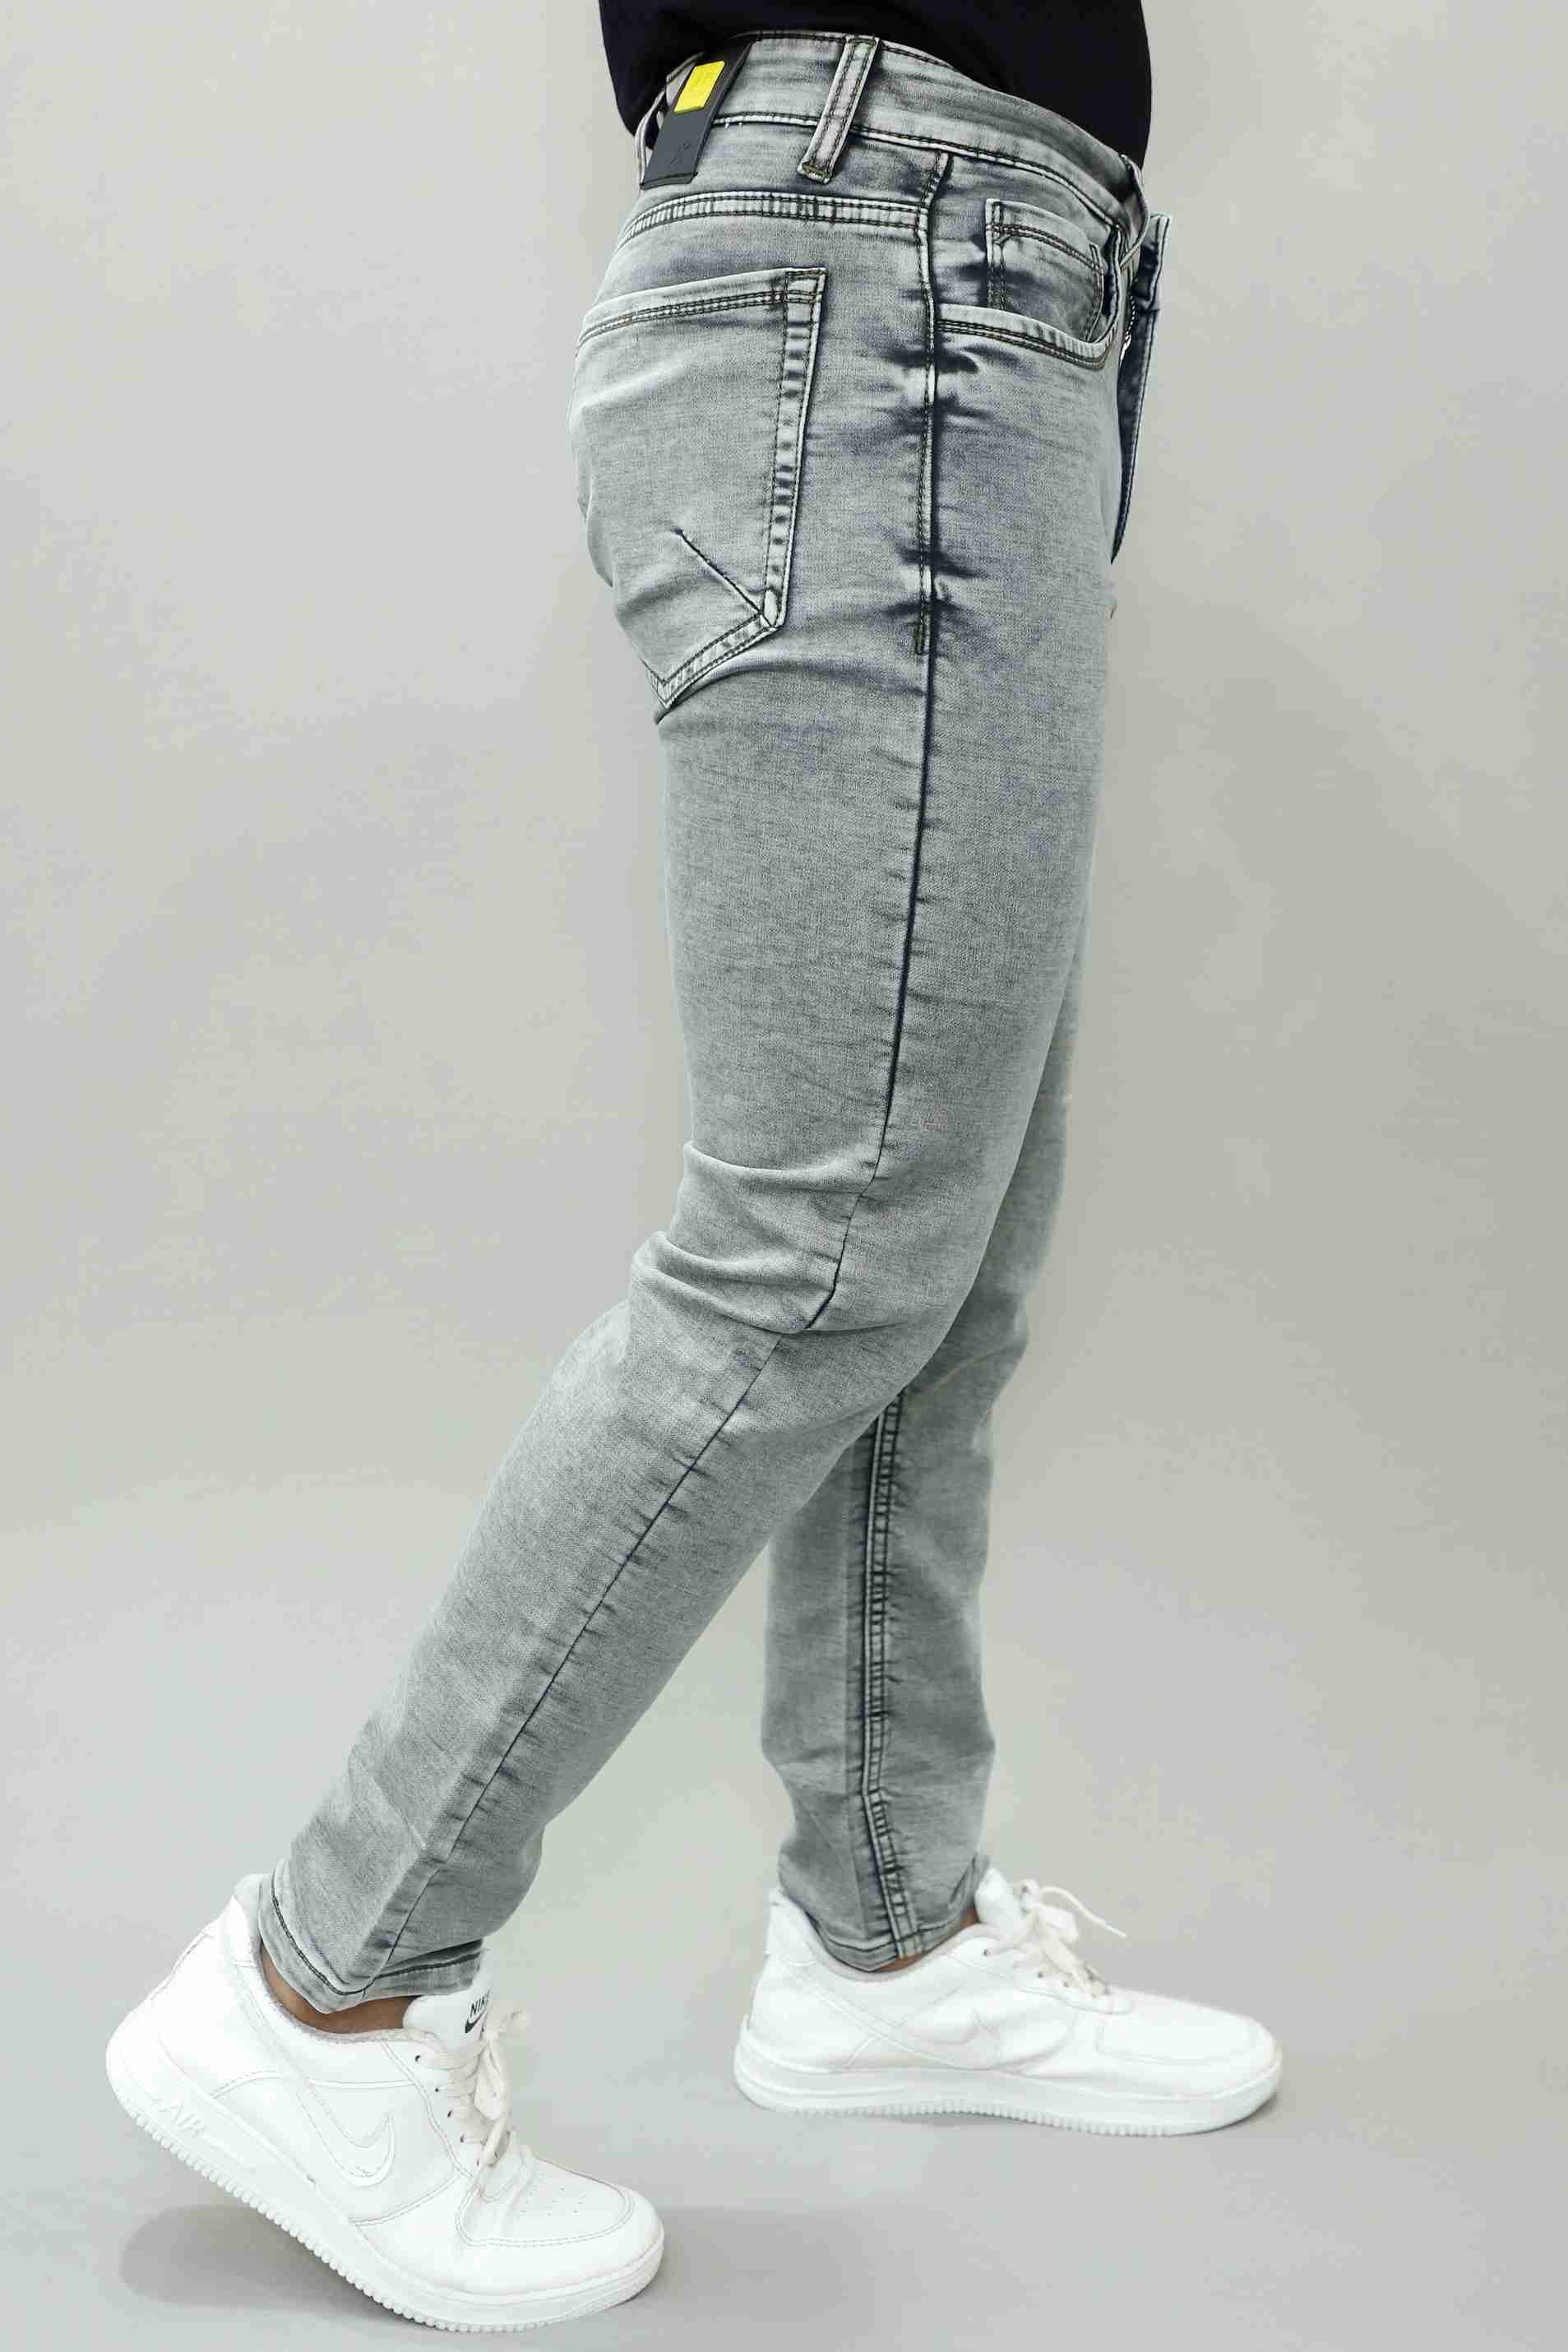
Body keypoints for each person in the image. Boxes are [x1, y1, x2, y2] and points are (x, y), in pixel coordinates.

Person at [106, 21, 1281, 2333]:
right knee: (820, 1246)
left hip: (955, 260)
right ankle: (322, 1982)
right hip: (894, 253)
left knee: (941, 1244)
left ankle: (887, 1938)